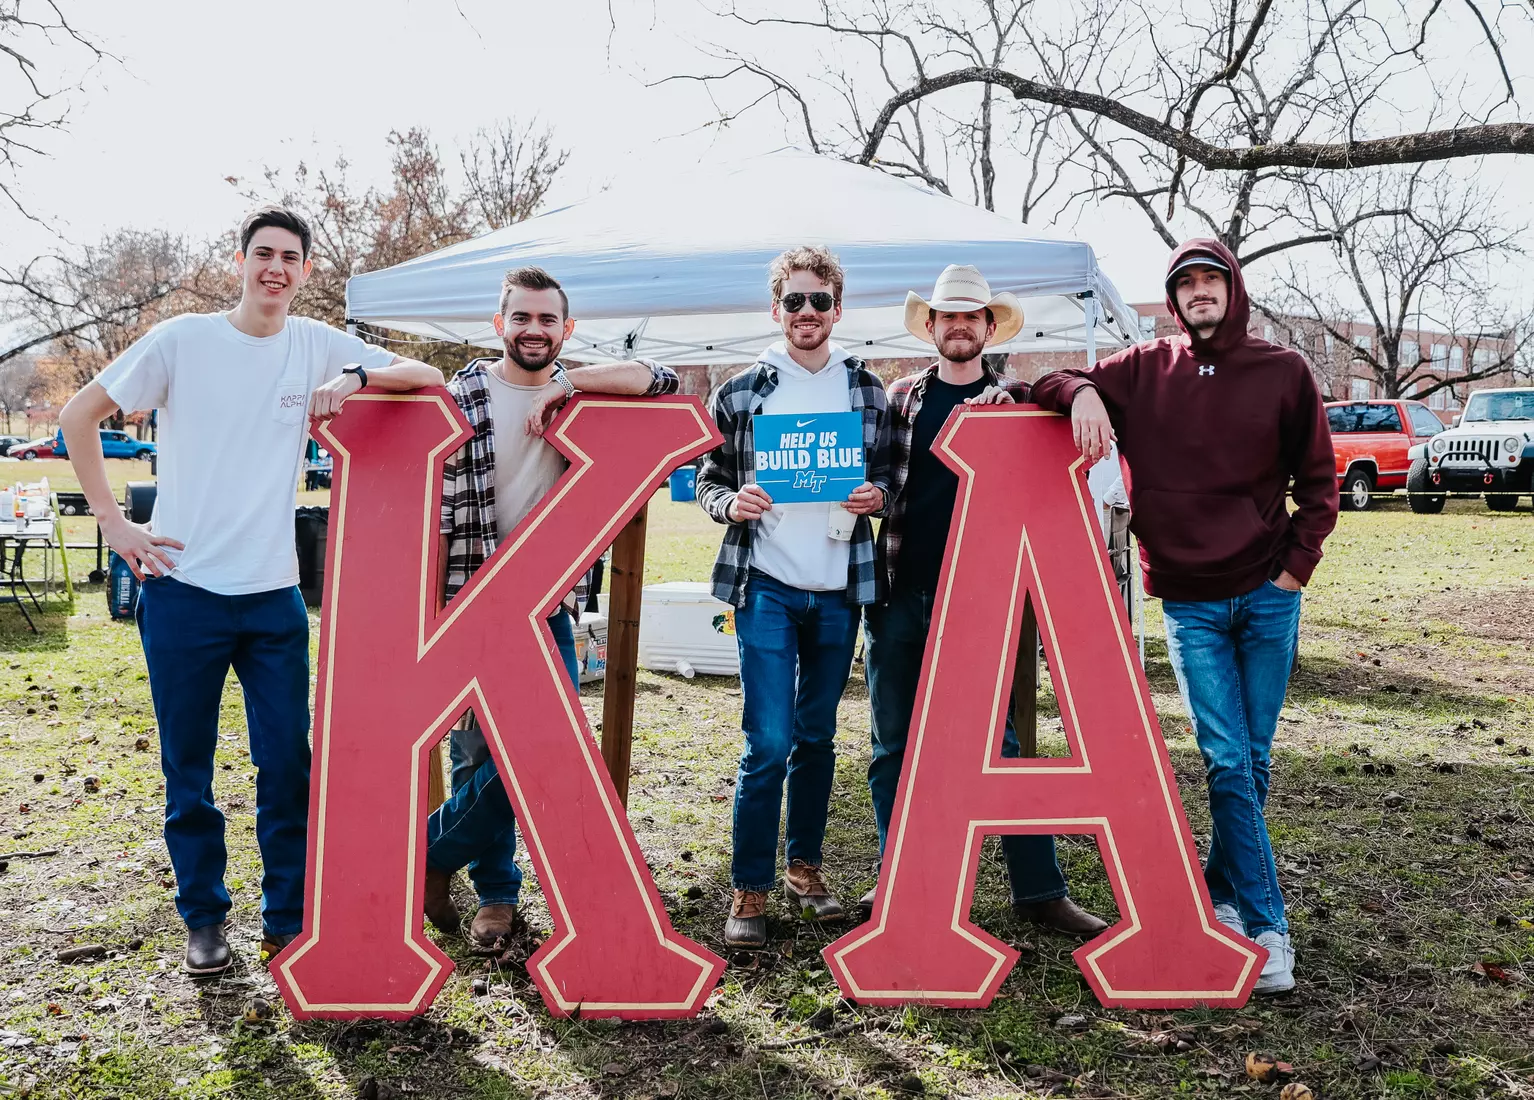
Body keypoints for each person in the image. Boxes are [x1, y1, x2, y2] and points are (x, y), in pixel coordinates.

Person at [59, 205, 443, 976]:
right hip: (183, 591)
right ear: (240, 263)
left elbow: (427, 376)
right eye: (262, 254)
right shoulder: (182, 340)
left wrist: (356, 374)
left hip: (272, 600)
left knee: (288, 764)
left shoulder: (316, 346)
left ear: (305, 272)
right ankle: (204, 920)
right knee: (189, 769)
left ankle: (288, 919)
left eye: (290, 258)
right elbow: (77, 414)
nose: (275, 268)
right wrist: (114, 524)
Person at [1031, 239, 1339, 994]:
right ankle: (1269, 930)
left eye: (1212, 280)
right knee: (1228, 760)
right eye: (1186, 284)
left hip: (1268, 596)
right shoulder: (1145, 370)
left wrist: (1294, 570)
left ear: (1234, 290)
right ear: (1174, 300)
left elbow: (1321, 483)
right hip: (1193, 604)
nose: (1200, 292)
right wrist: (1086, 394)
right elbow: (1042, 378)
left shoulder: (1284, 372)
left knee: (1252, 761)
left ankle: (1220, 898)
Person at [423, 266, 679, 952]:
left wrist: (571, 383)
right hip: (469, 595)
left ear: (566, 330)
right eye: (521, 318)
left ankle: (429, 852)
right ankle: (497, 897)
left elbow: (664, 379)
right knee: (477, 751)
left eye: (547, 320)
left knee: (541, 746)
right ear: (497, 324)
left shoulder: (579, 397)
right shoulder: (462, 396)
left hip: (547, 603)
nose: (532, 330)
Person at [862, 265, 1110, 935]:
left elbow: (1063, 388)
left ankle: (1039, 890)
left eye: (972, 316)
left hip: (979, 600)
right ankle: (899, 878)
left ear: (989, 327)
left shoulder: (1016, 402)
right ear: (933, 327)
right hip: (897, 594)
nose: (960, 325)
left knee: (999, 744)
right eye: (949, 316)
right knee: (892, 745)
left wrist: (1078, 392)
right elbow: (876, 480)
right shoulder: (899, 400)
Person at [696, 246, 891, 948]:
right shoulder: (744, 388)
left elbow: (894, 475)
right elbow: (707, 478)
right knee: (768, 741)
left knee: (816, 737)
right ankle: (750, 882)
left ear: (838, 309)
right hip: (767, 586)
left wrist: (880, 496)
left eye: (819, 301)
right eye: (793, 302)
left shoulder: (868, 389)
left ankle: (804, 867)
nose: (806, 313)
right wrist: (730, 502)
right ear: (774, 308)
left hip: (840, 589)